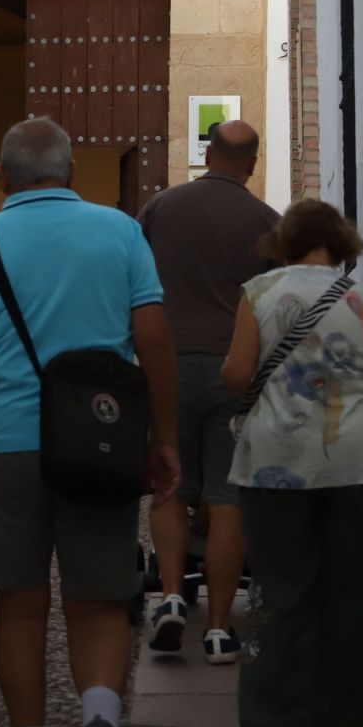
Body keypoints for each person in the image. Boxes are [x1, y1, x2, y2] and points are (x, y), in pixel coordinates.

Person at [0, 119, 181, 727]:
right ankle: (99, 712)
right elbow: (153, 340)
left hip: (4, 440)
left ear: (2, 176)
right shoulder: (120, 231)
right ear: (70, 171)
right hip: (101, 438)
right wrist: (164, 437)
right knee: (99, 600)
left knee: (19, 608)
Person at [220, 200, 363, 727]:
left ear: (284, 243)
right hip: (359, 467)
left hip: (274, 465)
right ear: (341, 244)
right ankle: (343, 713)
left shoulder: (259, 293)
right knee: (359, 598)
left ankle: (275, 715)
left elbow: (237, 374)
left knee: (280, 595)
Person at [136, 119, 280, 664]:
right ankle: (219, 629)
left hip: (166, 367)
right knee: (227, 499)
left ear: (208, 153)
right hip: (234, 372)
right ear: (253, 163)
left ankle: (172, 595)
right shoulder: (267, 221)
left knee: (169, 485)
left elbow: (135, 277)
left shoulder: (160, 207)